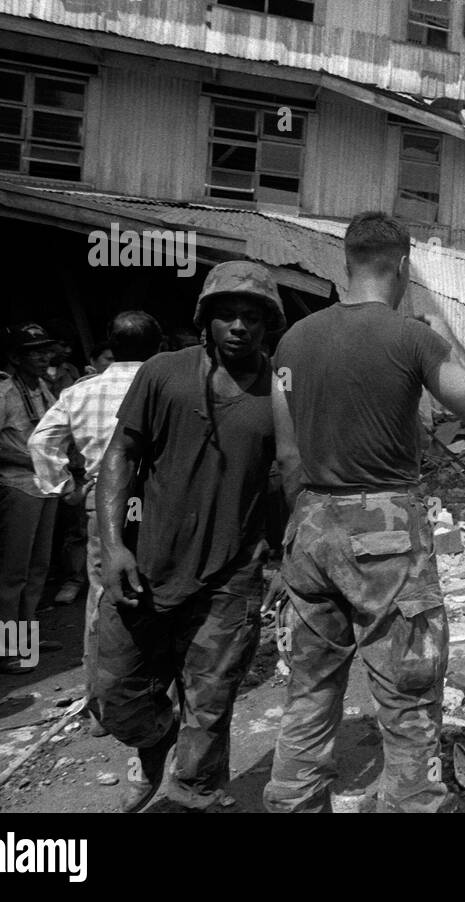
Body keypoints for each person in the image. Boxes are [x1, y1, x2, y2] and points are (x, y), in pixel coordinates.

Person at [263, 212, 465, 814]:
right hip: (386, 532)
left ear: (345, 265)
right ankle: (412, 802)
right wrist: (445, 328)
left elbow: (288, 458)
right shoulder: (411, 337)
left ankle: (293, 802)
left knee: (310, 687)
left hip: (309, 524)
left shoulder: (292, 342)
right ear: (401, 266)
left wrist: (299, 536)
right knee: (407, 690)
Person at [95, 262, 283, 812]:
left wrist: (282, 562)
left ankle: (193, 794)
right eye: (228, 314)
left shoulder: (281, 389)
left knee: (210, 699)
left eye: (253, 317)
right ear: (206, 318)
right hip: (147, 563)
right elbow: (120, 454)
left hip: (233, 573)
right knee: (117, 696)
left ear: (268, 325)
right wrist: (113, 546)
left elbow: (289, 476)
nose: (240, 327)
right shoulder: (163, 372)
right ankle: (154, 739)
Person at [29, 311, 163, 737]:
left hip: (102, 505)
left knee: (103, 596)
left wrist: (63, 486)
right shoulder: (168, 384)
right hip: (160, 503)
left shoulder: (81, 391)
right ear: (158, 345)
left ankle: (100, 705)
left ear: (111, 344)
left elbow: (40, 441)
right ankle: (160, 693)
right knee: (164, 591)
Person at [0, 322, 63, 673]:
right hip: (16, 484)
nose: (44, 356)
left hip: (44, 483)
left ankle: (25, 635)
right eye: (35, 352)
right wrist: (30, 459)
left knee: (37, 566)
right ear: (16, 358)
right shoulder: (1, 392)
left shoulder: (42, 386)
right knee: (9, 571)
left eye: (46, 349)